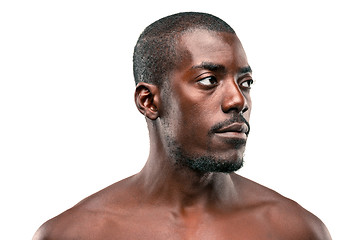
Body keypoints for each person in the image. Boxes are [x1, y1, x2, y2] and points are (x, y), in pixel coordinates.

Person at [33, 12, 332, 240]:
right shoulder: (75, 234)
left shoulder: (294, 231)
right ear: (149, 101)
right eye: (209, 81)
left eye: (246, 83)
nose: (238, 100)